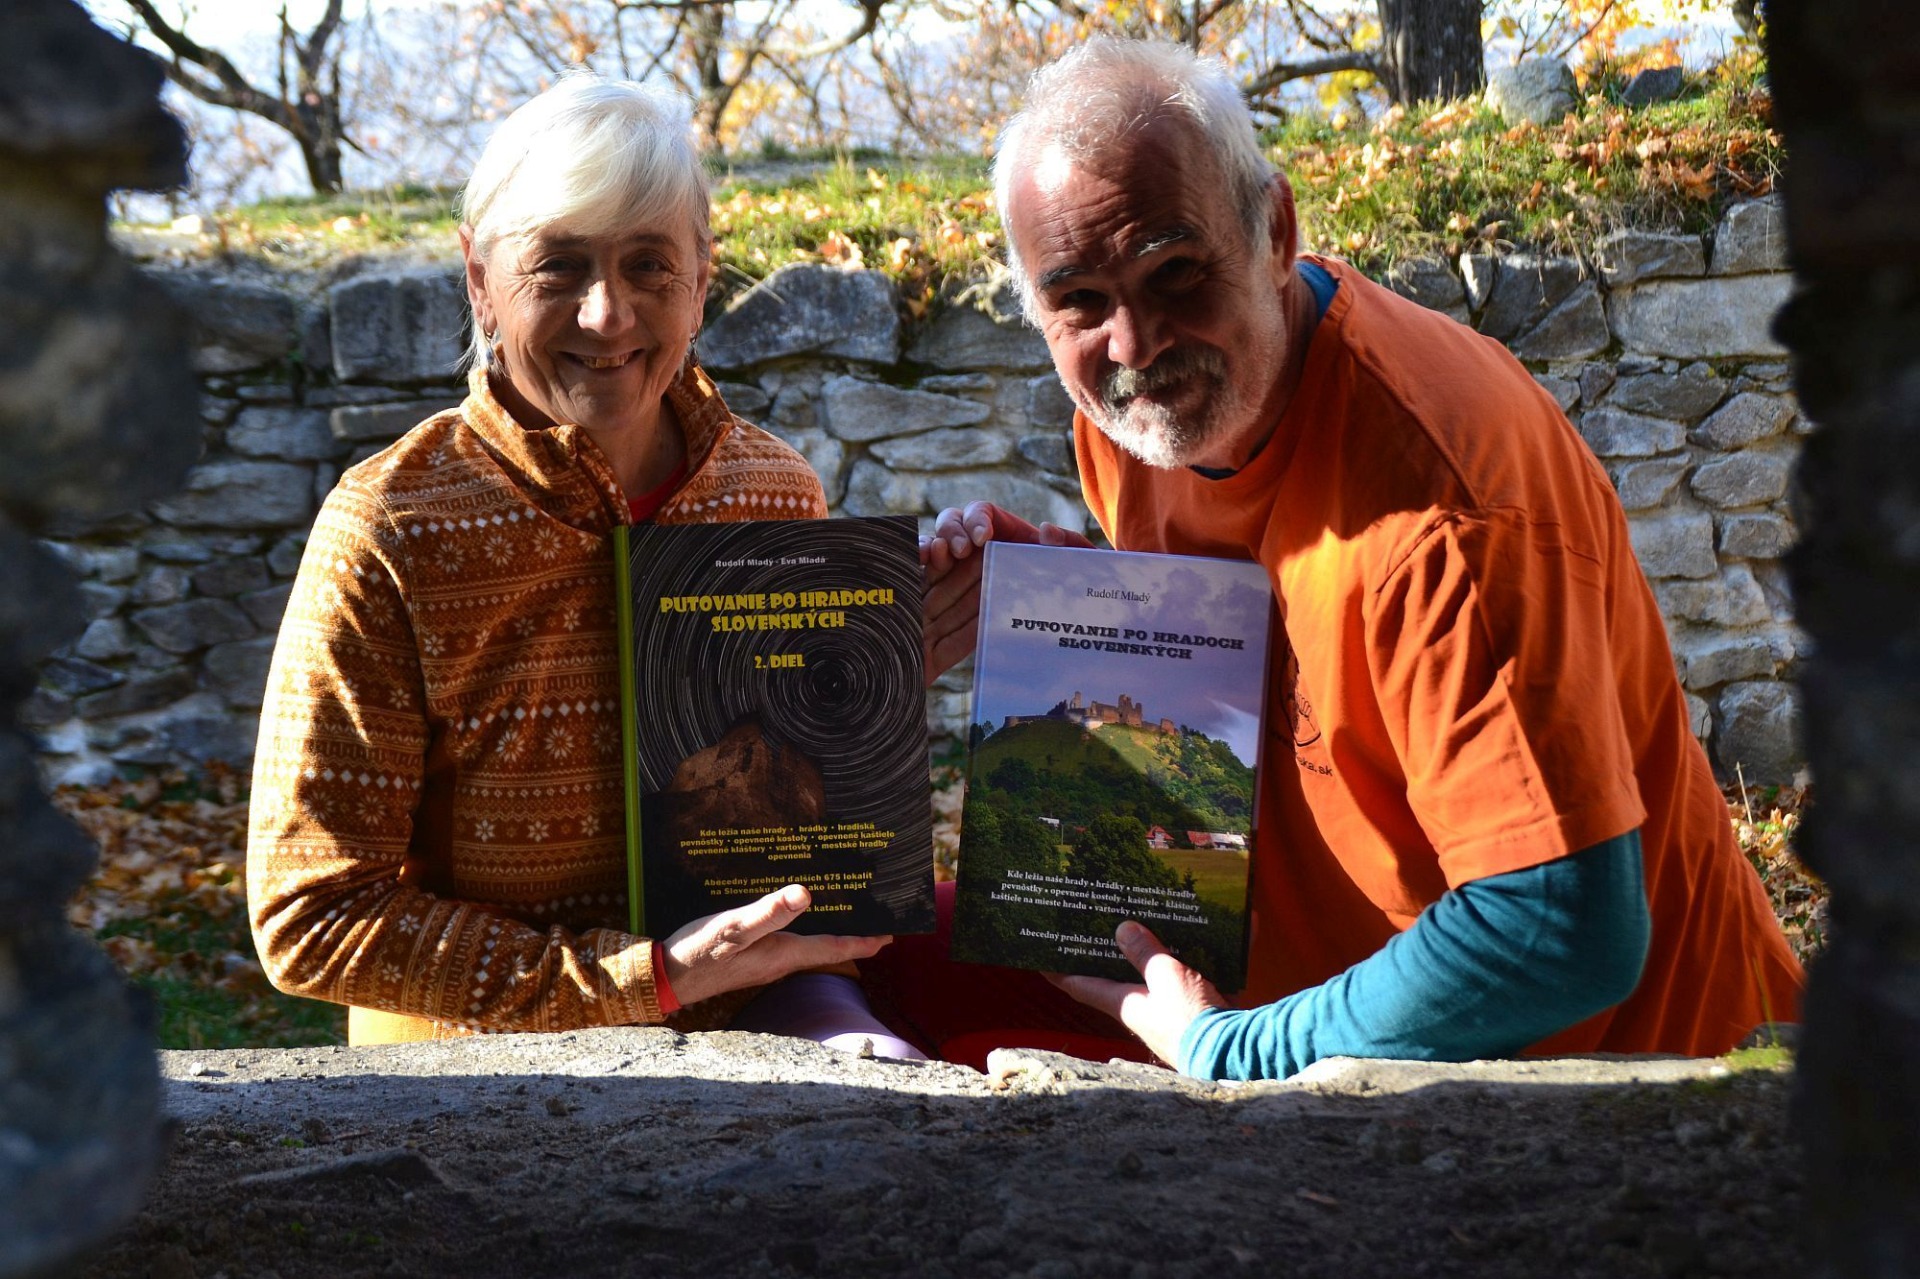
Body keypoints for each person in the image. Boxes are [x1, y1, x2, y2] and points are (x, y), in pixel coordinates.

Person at [882, 38, 1804, 1080]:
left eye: (1175, 272)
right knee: (860, 958)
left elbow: (1560, 932)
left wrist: (1233, 1048)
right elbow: (1255, 647)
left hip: (1621, 1081)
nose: (1134, 343)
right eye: (1081, 302)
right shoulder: (1134, 426)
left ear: (1275, 231)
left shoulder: (1439, 512)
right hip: (1283, 982)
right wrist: (1064, 604)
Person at [247, 72, 916, 1054]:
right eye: (558, 267)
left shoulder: (772, 492)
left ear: (703, 277)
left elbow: (783, 799)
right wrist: (642, 978)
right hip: (480, 1066)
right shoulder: (391, 528)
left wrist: (882, 677)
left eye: (650, 265)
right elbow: (312, 914)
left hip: (753, 1026)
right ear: (479, 279)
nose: (608, 316)